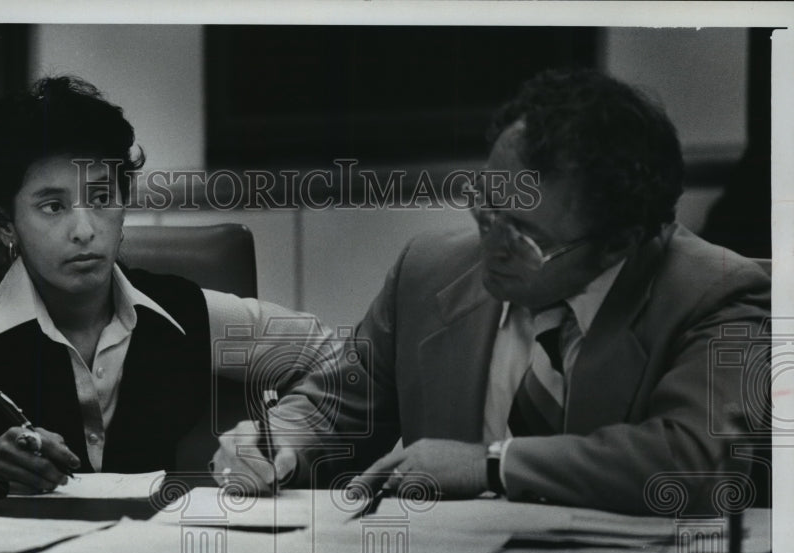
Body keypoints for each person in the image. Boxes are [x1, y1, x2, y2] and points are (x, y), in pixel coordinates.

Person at [212, 68, 771, 514]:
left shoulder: (716, 293)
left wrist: (492, 464)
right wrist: (274, 440)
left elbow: (698, 462)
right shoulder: (427, 270)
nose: (490, 245)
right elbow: (335, 408)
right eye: (486, 206)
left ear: (619, 243)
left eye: (524, 236)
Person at [0, 76, 320, 494]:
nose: (85, 229)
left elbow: (335, 354)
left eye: (101, 197)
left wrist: (280, 438)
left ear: (124, 200)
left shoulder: (183, 310)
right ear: (2, 219)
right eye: (53, 206)